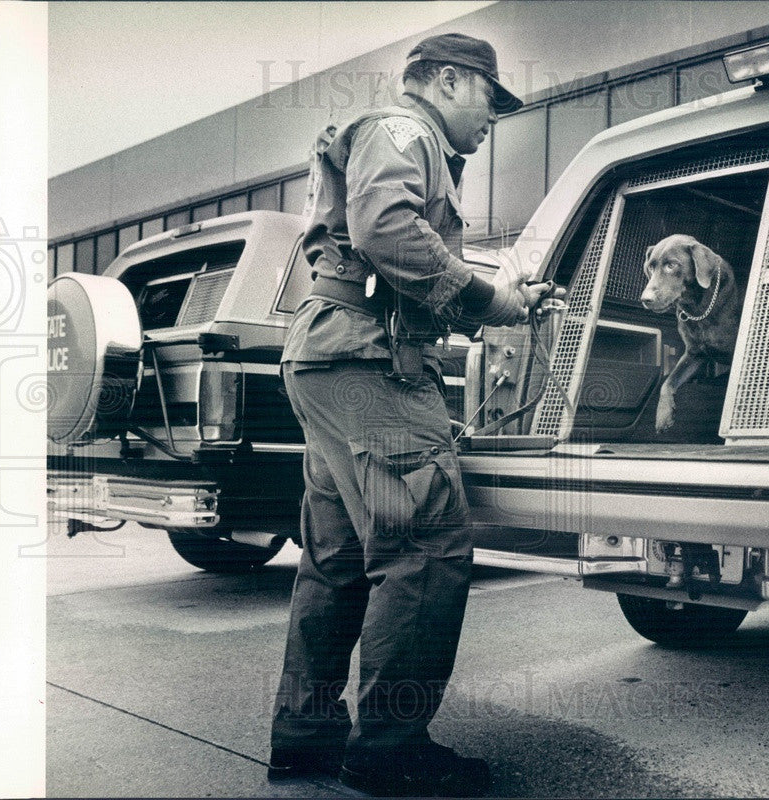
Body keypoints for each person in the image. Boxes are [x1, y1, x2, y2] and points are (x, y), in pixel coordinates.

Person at [268, 33, 557, 797]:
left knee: (336, 559)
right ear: (451, 82)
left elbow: (374, 249)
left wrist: (495, 297)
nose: (493, 117)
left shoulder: (387, 134)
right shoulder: (408, 130)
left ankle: (305, 735)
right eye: (489, 99)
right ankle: (390, 750)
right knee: (424, 550)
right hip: (369, 366)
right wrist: (491, 299)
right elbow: (387, 231)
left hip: (335, 356)